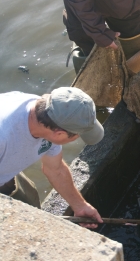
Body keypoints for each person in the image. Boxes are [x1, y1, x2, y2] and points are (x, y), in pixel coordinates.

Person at [0, 87, 104, 229]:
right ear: (59, 134)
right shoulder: (4, 135)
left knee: (31, 209)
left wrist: (80, 205)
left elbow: (55, 170)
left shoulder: (46, 112)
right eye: (78, 135)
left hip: (6, 169)